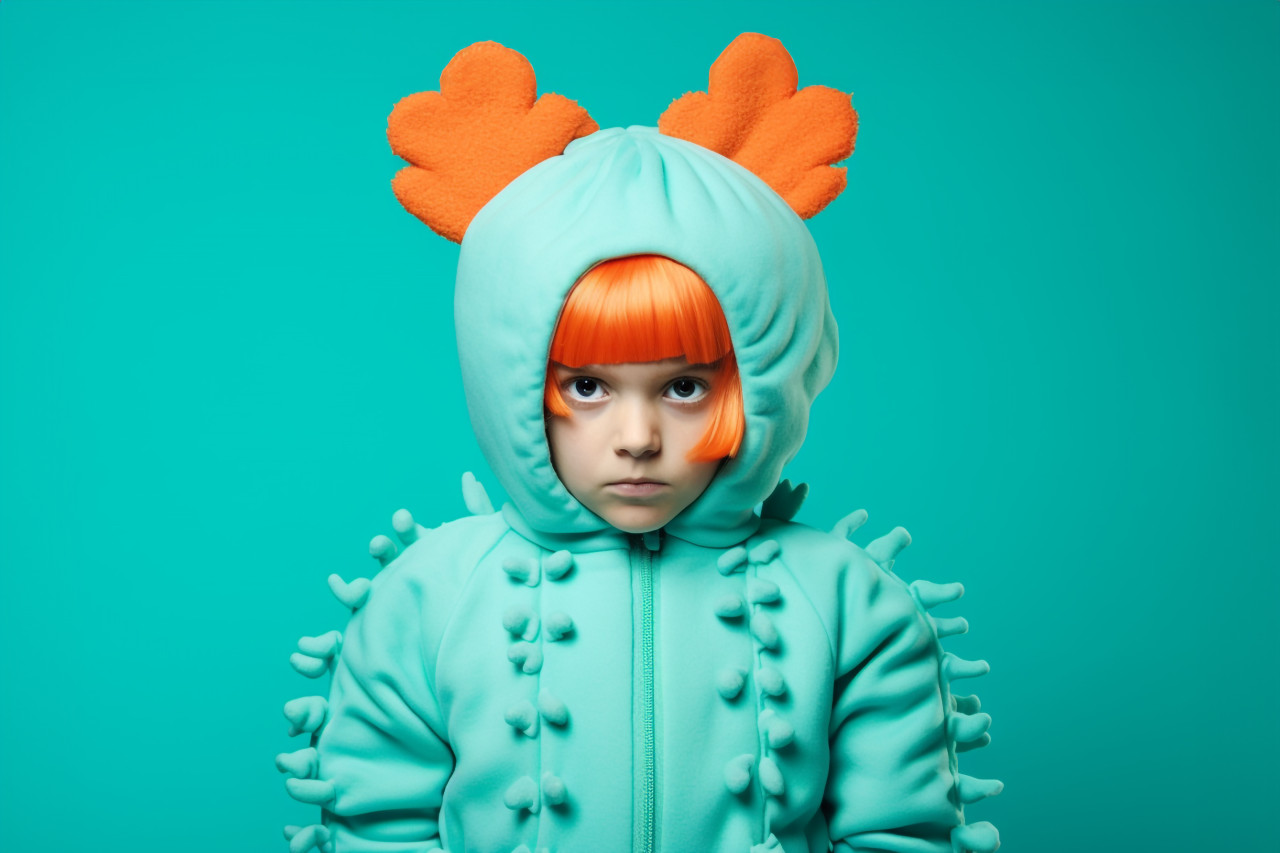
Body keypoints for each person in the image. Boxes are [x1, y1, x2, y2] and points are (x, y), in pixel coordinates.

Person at [276, 34, 1001, 853]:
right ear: (505, 380)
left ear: (771, 377)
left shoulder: (851, 606)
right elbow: (378, 826)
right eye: (586, 386)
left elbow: (902, 832)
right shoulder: (426, 603)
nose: (636, 438)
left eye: (685, 386)